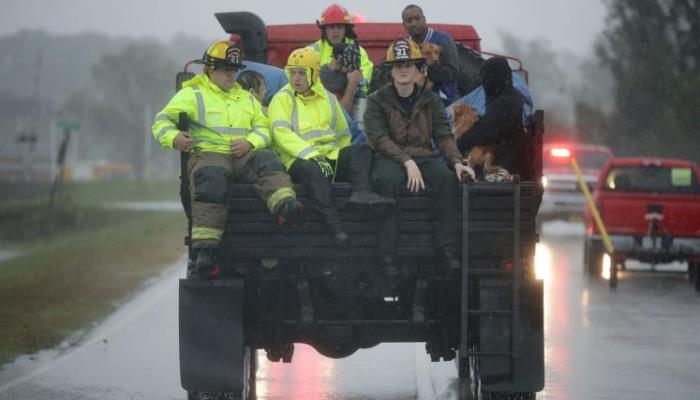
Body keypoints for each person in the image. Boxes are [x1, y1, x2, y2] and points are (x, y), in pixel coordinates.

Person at [152, 40, 304, 278]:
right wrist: (174, 138)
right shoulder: (191, 94)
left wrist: (250, 142)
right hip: (209, 154)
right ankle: (206, 250)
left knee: (267, 160)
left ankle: (287, 208)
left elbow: (265, 127)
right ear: (210, 70)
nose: (231, 75)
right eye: (226, 70)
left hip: (243, 155)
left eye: (234, 70)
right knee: (212, 177)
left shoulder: (246, 98)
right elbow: (162, 121)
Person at [364, 38, 475, 274]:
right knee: (386, 181)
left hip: (423, 156)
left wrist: (457, 162)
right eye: (398, 65)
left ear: (418, 69)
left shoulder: (431, 100)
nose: (403, 69)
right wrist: (406, 161)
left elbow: (444, 135)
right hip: (390, 157)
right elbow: (379, 139)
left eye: (409, 65)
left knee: (446, 180)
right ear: (391, 70)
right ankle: (388, 256)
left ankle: (445, 251)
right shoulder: (376, 101)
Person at [268, 47, 393, 246]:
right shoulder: (281, 100)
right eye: (293, 72)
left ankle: (362, 194)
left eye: (302, 73)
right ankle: (336, 227)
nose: (296, 78)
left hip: (329, 157)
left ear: (315, 73)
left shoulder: (328, 98)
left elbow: (343, 133)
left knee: (361, 151)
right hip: (298, 160)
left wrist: (341, 156)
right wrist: (313, 155)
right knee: (314, 172)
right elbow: (282, 135)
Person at [455, 57, 526, 178]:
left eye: (486, 77)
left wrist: (457, 146)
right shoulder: (504, 95)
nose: (483, 82)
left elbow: (487, 130)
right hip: (499, 156)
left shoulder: (506, 101)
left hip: (501, 161)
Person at [309, 3, 373, 96]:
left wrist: (355, 78)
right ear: (324, 30)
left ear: (346, 29)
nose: (335, 31)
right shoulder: (311, 51)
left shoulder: (358, 52)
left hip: (351, 102)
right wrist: (328, 70)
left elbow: (364, 88)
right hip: (319, 101)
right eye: (331, 27)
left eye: (339, 26)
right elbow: (305, 83)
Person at [401, 4, 460, 105]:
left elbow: (453, 71)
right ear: (404, 25)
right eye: (409, 20)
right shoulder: (403, 44)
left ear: (424, 19)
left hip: (444, 103)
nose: (414, 23)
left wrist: (430, 70)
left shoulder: (443, 39)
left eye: (417, 18)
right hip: (412, 104)